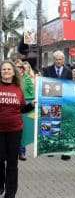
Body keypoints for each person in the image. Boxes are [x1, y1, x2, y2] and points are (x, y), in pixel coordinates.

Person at [0, 60, 34, 198]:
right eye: (3, 69)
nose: (6, 71)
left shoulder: (18, 88)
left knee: (12, 163)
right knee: (0, 160)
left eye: (9, 69)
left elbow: (22, 109)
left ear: (14, 72)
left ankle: (10, 192)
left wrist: (32, 105)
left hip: (15, 130)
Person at [43, 50, 72, 161]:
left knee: (63, 125)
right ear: (53, 60)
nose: (58, 61)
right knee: (49, 125)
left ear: (63, 60)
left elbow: (70, 86)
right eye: (56, 59)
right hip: (50, 100)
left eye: (60, 59)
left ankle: (64, 150)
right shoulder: (47, 70)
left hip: (63, 101)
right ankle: (50, 148)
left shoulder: (68, 72)